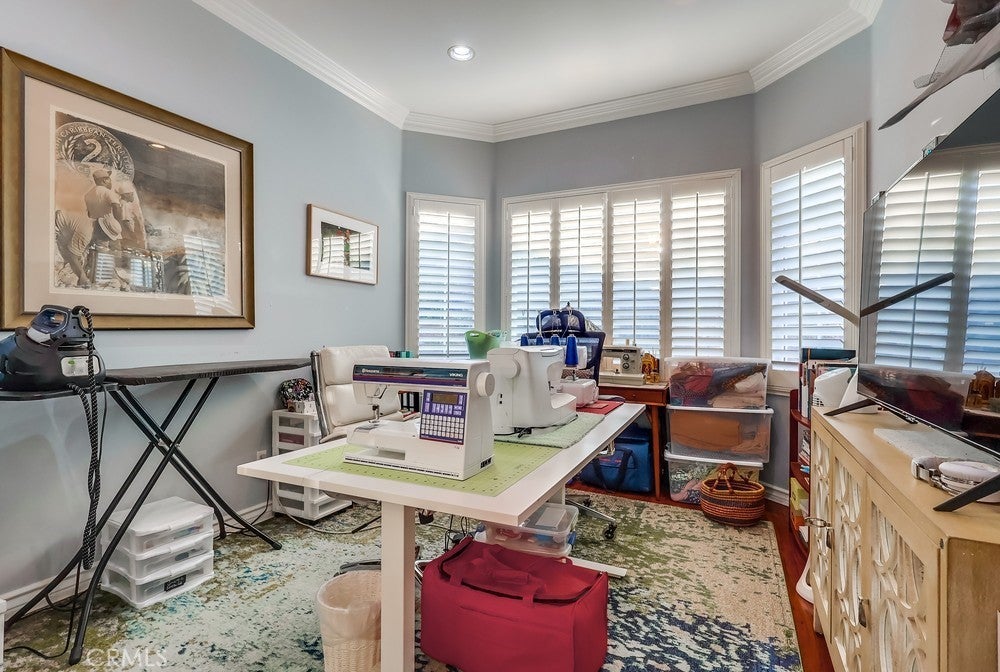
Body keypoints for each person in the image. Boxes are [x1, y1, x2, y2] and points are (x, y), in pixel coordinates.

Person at [83, 167, 124, 246]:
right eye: (109, 179)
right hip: (110, 229)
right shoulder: (108, 192)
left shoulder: (88, 194)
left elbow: (89, 214)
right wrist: (119, 225)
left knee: (97, 250)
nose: (111, 182)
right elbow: (117, 208)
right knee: (113, 251)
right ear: (104, 180)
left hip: (94, 229)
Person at [115, 179, 147, 250]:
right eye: (131, 194)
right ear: (125, 195)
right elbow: (125, 222)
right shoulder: (124, 205)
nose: (133, 196)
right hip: (127, 236)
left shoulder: (123, 203)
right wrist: (132, 235)